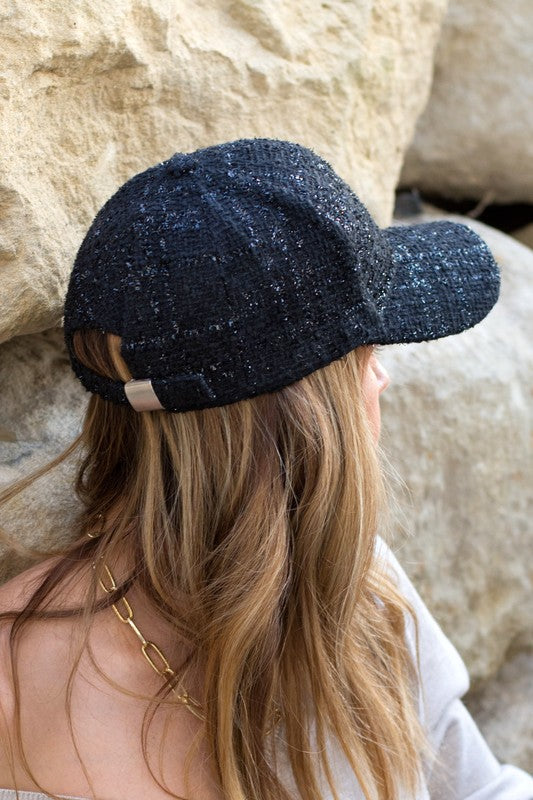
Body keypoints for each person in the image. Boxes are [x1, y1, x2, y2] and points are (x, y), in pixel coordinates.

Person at [0, 138, 530, 800]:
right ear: (305, 421)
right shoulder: (13, 697)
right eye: (362, 357)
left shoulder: (358, 586)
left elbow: (479, 791)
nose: (382, 378)